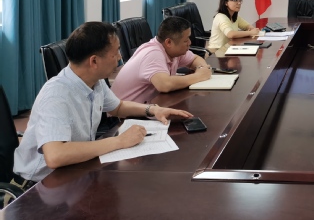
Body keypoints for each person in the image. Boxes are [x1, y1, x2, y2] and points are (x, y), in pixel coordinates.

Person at [12, 22, 192, 185]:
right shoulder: (56, 95)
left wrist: (153, 110)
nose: (120, 57)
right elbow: (55, 156)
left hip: (74, 170)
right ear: (94, 61)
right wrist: (119, 141)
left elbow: (118, 107)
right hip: (40, 183)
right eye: (116, 53)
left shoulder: (94, 82)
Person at [111, 16, 212, 103]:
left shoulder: (173, 51)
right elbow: (165, 85)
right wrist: (199, 76)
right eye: (186, 40)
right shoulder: (153, 53)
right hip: (123, 116)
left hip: (146, 107)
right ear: (169, 42)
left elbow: (195, 59)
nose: (189, 43)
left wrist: (202, 68)